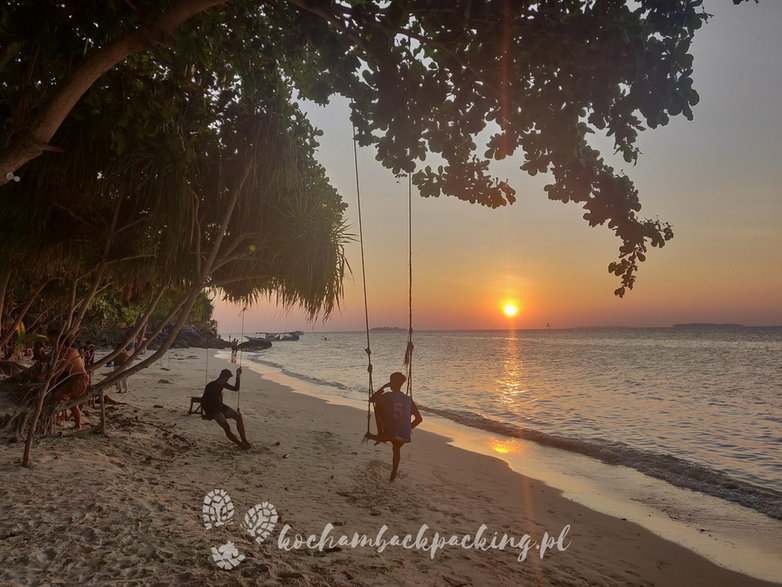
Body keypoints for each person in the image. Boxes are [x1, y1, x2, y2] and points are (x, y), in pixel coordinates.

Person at [368, 372, 423, 481]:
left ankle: (381, 435)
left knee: (377, 406)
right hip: (404, 437)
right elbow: (419, 419)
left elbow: (372, 399)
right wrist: (408, 429)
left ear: (391, 383)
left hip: (390, 433)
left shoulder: (387, 396)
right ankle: (394, 472)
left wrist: (383, 387)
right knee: (396, 448)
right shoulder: (408, 399)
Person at [46, 327, 89, 429]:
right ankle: (63, 416)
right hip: (71, 378)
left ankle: (77, 424)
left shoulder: (71, 352)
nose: (51, 342)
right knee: (58, 395)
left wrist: (52, 381)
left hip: (79, 379)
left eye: (52, 340)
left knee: (71, 402)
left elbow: (61, 369)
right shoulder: (62, 353)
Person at [201, 368, 251, 449]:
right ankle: (240, 445)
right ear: (222, 377)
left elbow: (236, 389)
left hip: (221, 407)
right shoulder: (211, 386)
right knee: (227, 428)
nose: (227, 380)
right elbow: (203, 402)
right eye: (227, 378)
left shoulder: (223, 384)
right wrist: (208, 414)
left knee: (238, 417)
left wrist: (238, 376)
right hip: (213, 411)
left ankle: (244, 440)